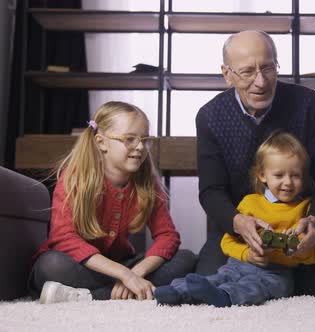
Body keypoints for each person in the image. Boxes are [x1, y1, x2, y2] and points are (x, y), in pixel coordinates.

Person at [195, 30, 315, 295]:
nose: (261, 82)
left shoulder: (307, 103)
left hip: (296, 231)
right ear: (227, 74)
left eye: (268, 68)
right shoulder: (209, 116)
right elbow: (211, 190)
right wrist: (237, 222)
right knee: (208, 279)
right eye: (247, 72)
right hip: (239, 231)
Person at [30, 101, 196, 303]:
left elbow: (167, 236)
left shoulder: (147, 182)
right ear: (101, 142)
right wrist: (124, 275)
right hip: (80, 264)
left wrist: (136, 272)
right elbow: (64, 237)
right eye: (129, 139)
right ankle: (127, 292)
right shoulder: (74, 178)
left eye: (145, 139)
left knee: (186, 259)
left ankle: (92, 296)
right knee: (50, 265)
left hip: (122, 263)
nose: (140, 146)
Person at [155, 131, 315, 306]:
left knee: (267, 286)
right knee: (218, 277)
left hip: (277, 272)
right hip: (240, 263)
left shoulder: (308, 211)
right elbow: (227, 242)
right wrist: (247, 254)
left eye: (295, 175)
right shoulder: (249, 203)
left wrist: (301, 252)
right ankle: (177, 292)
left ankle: (225, 296)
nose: (288, 182)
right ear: (262, 175)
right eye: (279, 175)